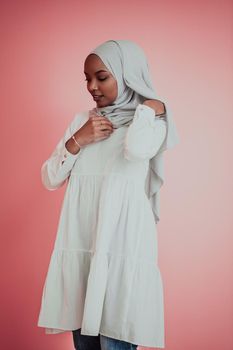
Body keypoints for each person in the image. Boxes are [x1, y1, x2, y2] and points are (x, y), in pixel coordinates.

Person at [37, 39, 179, 349]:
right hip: (83, 246)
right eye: (87, 78)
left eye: (102, 77)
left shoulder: (150, 123)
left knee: (117, 338)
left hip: (122, 249)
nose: (92, 86)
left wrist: (150, 109)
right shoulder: (82, 122)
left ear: (128, 76)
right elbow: (50, 178)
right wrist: (78, 139)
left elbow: (137, 150)